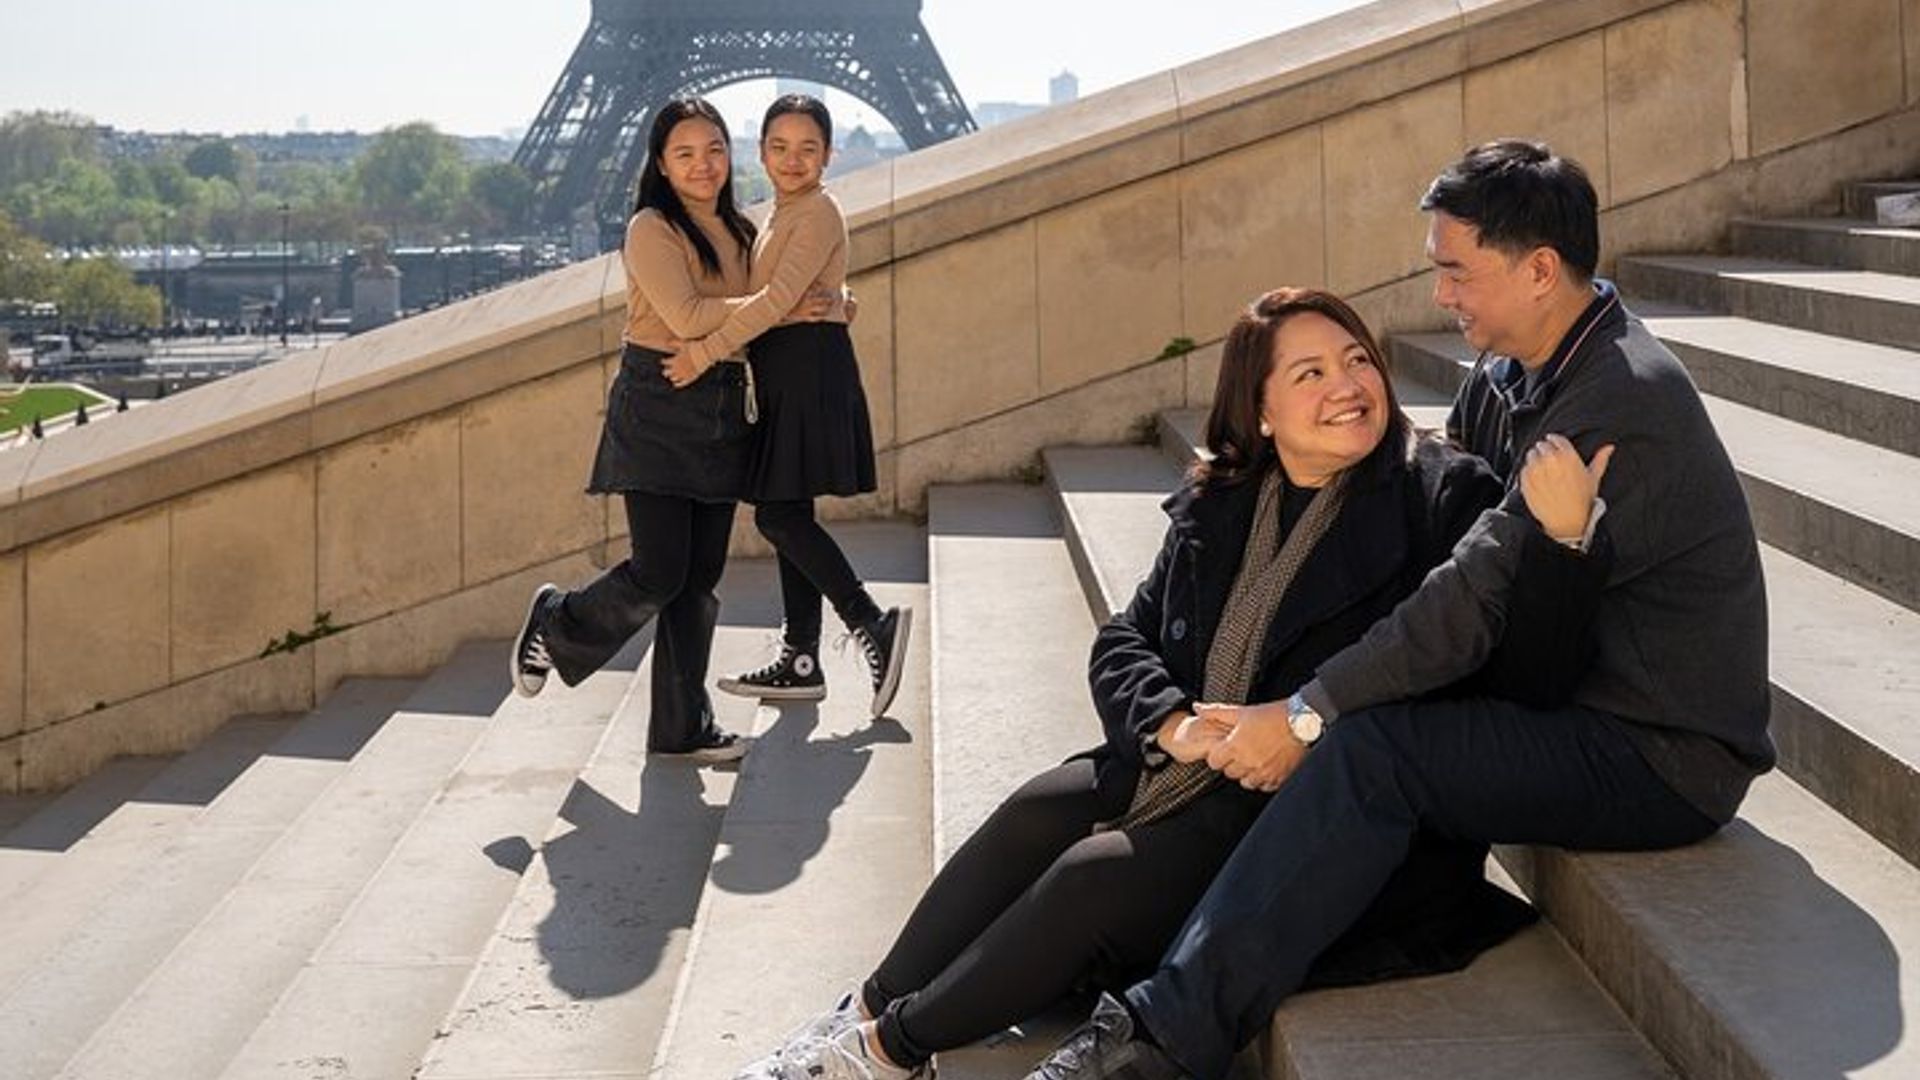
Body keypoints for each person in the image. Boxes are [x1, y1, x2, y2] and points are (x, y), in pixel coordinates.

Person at [1026, 140, 1773, 1080]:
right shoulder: (1510, 376)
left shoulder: (1621, 400)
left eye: (1456, 270)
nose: (1442, 295)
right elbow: (1444, 532)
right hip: (1557, 682)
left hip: (1657, 749)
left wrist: (1302, 714)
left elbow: (1470, 594)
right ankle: (1149, 962)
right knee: (1359, 719)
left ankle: (1161, 1040)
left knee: (1367, 749)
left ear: (1540, 270)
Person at [733, 287, 1609, 1080]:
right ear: (1261, 413)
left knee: (1089, 876)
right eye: (1309, 372)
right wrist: (1170, 726)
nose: (1347, 385)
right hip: (1197, 764)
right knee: (1039, 807)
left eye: (1355, 361)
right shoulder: (1227, 499)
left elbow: (1526, 678)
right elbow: (1125, 640)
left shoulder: (1441, 500)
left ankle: (886, 1054)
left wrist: (1563, 548)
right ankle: (864, 1008)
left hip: (1315, 810)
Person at [508, 98, 765, 763]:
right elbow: (684, 316)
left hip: (721, 403)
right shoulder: (651, 227)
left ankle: (681, 727)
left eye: (714, 149)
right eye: (685, 153)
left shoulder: (741, 229)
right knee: (659, 571)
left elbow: (768, 309)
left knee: (699, 579)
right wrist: (775, 305)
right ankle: (557, 621)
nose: (703, 165)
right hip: (658, 401)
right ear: (660, 164)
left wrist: (823, 298)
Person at [667, 94, 910, 718]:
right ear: (761, 152)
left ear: (829, 155)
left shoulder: (817, 208)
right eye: (779, 147)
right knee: (788, 509)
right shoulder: (777, 214)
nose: (793, 160)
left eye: (808, 148)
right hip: (788, 372)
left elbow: (776, 301)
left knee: (778, 516)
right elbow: (794, 288)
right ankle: (801, 660)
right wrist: (840, 295)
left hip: (808, 372)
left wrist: (702, 354)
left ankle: (869, 622)